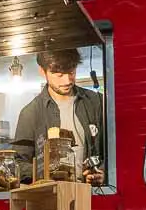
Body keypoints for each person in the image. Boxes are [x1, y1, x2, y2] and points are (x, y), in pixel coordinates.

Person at [14, 49, 106, 185]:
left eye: (72, 72)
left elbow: (116, 149)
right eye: (59, 75)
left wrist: (103, 172)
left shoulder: (97, 102)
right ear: (42, 71)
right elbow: (19, 163)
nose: (67, 80)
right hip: (51, 197)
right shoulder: (30, 113)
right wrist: (46, 173)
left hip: (93, 194)